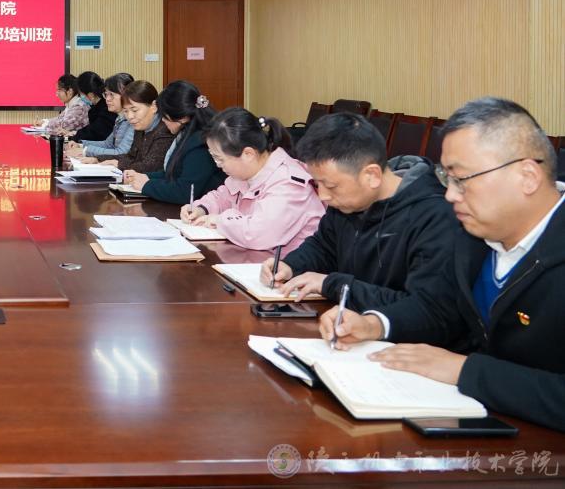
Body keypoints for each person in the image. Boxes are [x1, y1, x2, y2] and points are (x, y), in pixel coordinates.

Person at [342, 98, 565, 432]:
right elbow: (439, 307)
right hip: (484, 422)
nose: (450, 195)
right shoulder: (474, 237)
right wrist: (374, 324)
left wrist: (464, 370)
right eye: (446, 178)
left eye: (462, 179)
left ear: (527, 176)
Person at [261, 111, 460, 345]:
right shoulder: (347, 204)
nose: (323, 196)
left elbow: (424, 310)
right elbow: (323, 246)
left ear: (372, 175)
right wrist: (290, 265)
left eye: (330, 186)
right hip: (350, 331)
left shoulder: (435, 216)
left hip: (406, 346)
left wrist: (332, 284)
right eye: (317, 184)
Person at [180, 107, 324, 252]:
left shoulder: (289, 183)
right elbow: (221, 196)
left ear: (248, 154)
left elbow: (258, 234)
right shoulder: (246, 173)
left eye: (220, 159)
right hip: (253, 259)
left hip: (285, 264)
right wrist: (201, 209)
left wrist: (220, 220)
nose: (218, 165)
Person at [131, 80, 225, 202]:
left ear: (183, 118)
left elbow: (185, 192)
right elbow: (175, 173)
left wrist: (146, 185)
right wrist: (146, 177)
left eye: (165, 116)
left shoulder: (201, 143)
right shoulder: (187, 133)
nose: (163, 120)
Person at [103, 80, 177, 177]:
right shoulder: (141, 126)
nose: (130, 117)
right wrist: (97, 159)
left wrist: (119, 164)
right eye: (126, 111)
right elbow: (131, 157)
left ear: (154, 106)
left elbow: (151, 166)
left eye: (134, 110)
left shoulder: (165, 129)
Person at [68, 72, 134, 158]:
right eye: (106, 94)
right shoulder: (120, 118)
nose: (107, 99)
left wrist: (85, 151)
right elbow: (107, 144)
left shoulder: (133, 120)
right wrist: (81, 144)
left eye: (112, 95)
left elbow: (121, 153)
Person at [69, 71, 115, 142]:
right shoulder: (96, 107)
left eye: (81, 94)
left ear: (91, 95)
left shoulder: (108, 108)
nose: (80, 97)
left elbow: (95, 131)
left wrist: (76, 136)